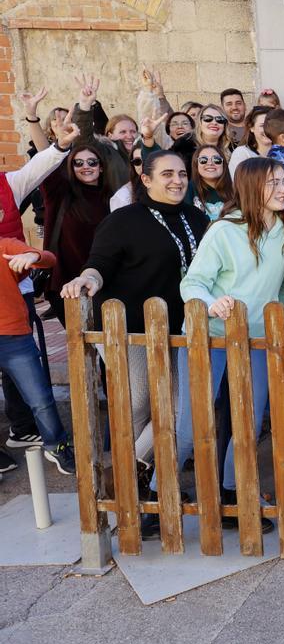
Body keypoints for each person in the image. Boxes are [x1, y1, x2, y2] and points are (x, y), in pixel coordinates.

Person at [143, 158, 284, 537]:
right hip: (208, 336)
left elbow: (283, 289)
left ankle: (232, 498)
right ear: (250, 188)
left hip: (256, 340)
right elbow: (192, 282)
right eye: (272, 184)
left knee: (248, 424)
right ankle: (154, 498)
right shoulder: (224, 231)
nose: (282, 190)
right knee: (192, 425)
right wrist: (211, 303)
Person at [61, 151, 209, 486]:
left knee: (179, 410)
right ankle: (137, 487)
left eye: (182, 174)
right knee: (139, 406)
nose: (177, 180)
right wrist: (88, 279)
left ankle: (128, 476)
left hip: (180, 330)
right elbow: (99, 262)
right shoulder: (123, 220)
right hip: (130, 331)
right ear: (146, 179)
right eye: (167, 174)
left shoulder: (197, 220)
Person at [0, 111, 79, 471]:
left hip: (13, 322)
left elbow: (40, 168)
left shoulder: (6, 236)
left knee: (38, 391)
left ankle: (51, 441)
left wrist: (31, 253)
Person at [0, 235, 74, 475]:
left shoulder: (4, 245)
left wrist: (32, 256)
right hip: (14, 335)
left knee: (40, 398)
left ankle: (56, 446)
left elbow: (49, 259)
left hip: (13, 336)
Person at [41, 126, 119, 322]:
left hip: (104, 283)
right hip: (67, 287)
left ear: (101, 167)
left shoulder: (114, 197)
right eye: (78, 163)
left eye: (92, 162)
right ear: (71, 167)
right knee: (80, 346)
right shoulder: (59, 194)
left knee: (108, 347)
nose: (86, 166)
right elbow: (44, 161)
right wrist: (33, 118)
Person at [227, 105, 272, 177]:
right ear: (252, 128)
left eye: (271, 124)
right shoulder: (242, 153)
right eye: (262, 125)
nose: (268, 129)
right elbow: (236, 184)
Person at [191, 145, 233, 221]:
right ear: (196, 165)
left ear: (223, 165)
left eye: (216, 160)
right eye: (203, 160)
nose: (210, 163)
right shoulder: (188, 189)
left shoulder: (235, 190)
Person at [109, 141, 147, 211]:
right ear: (133, 165)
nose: (143, 165)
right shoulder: (122, 196)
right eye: (137, 161)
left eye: (147, 160)